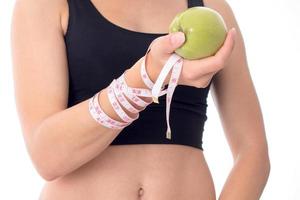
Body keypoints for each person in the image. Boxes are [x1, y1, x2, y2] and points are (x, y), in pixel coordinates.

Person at [11, 0, 270, 199]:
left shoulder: (211, 10)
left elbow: (253, 152)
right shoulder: (44, 5)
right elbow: (46, 156)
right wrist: (145, 78)